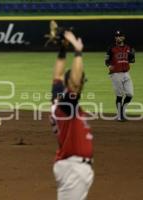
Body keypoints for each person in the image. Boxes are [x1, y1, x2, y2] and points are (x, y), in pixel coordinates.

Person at [50, 30, 94, 200]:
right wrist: (77, 51)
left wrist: (62, 50)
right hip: (74, 169)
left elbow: (57, 76)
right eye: (81, 79)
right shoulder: (67, 106)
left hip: (72, 167)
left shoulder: (59, 103)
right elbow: (74, 82)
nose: (82, 82)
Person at [105, 30, 135, 121]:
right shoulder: (111, 48)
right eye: (117, 36)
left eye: (120, 36)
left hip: (126, 73)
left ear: (123, 37)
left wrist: (133, 56)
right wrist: (109, 65)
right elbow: (106, 60)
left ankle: (122, 112)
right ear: (115, 38)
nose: (118, 37)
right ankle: (120, 115)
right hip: (116, 74)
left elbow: (131, 60)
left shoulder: (127, 48)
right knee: (119, 95)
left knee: (130, 94)